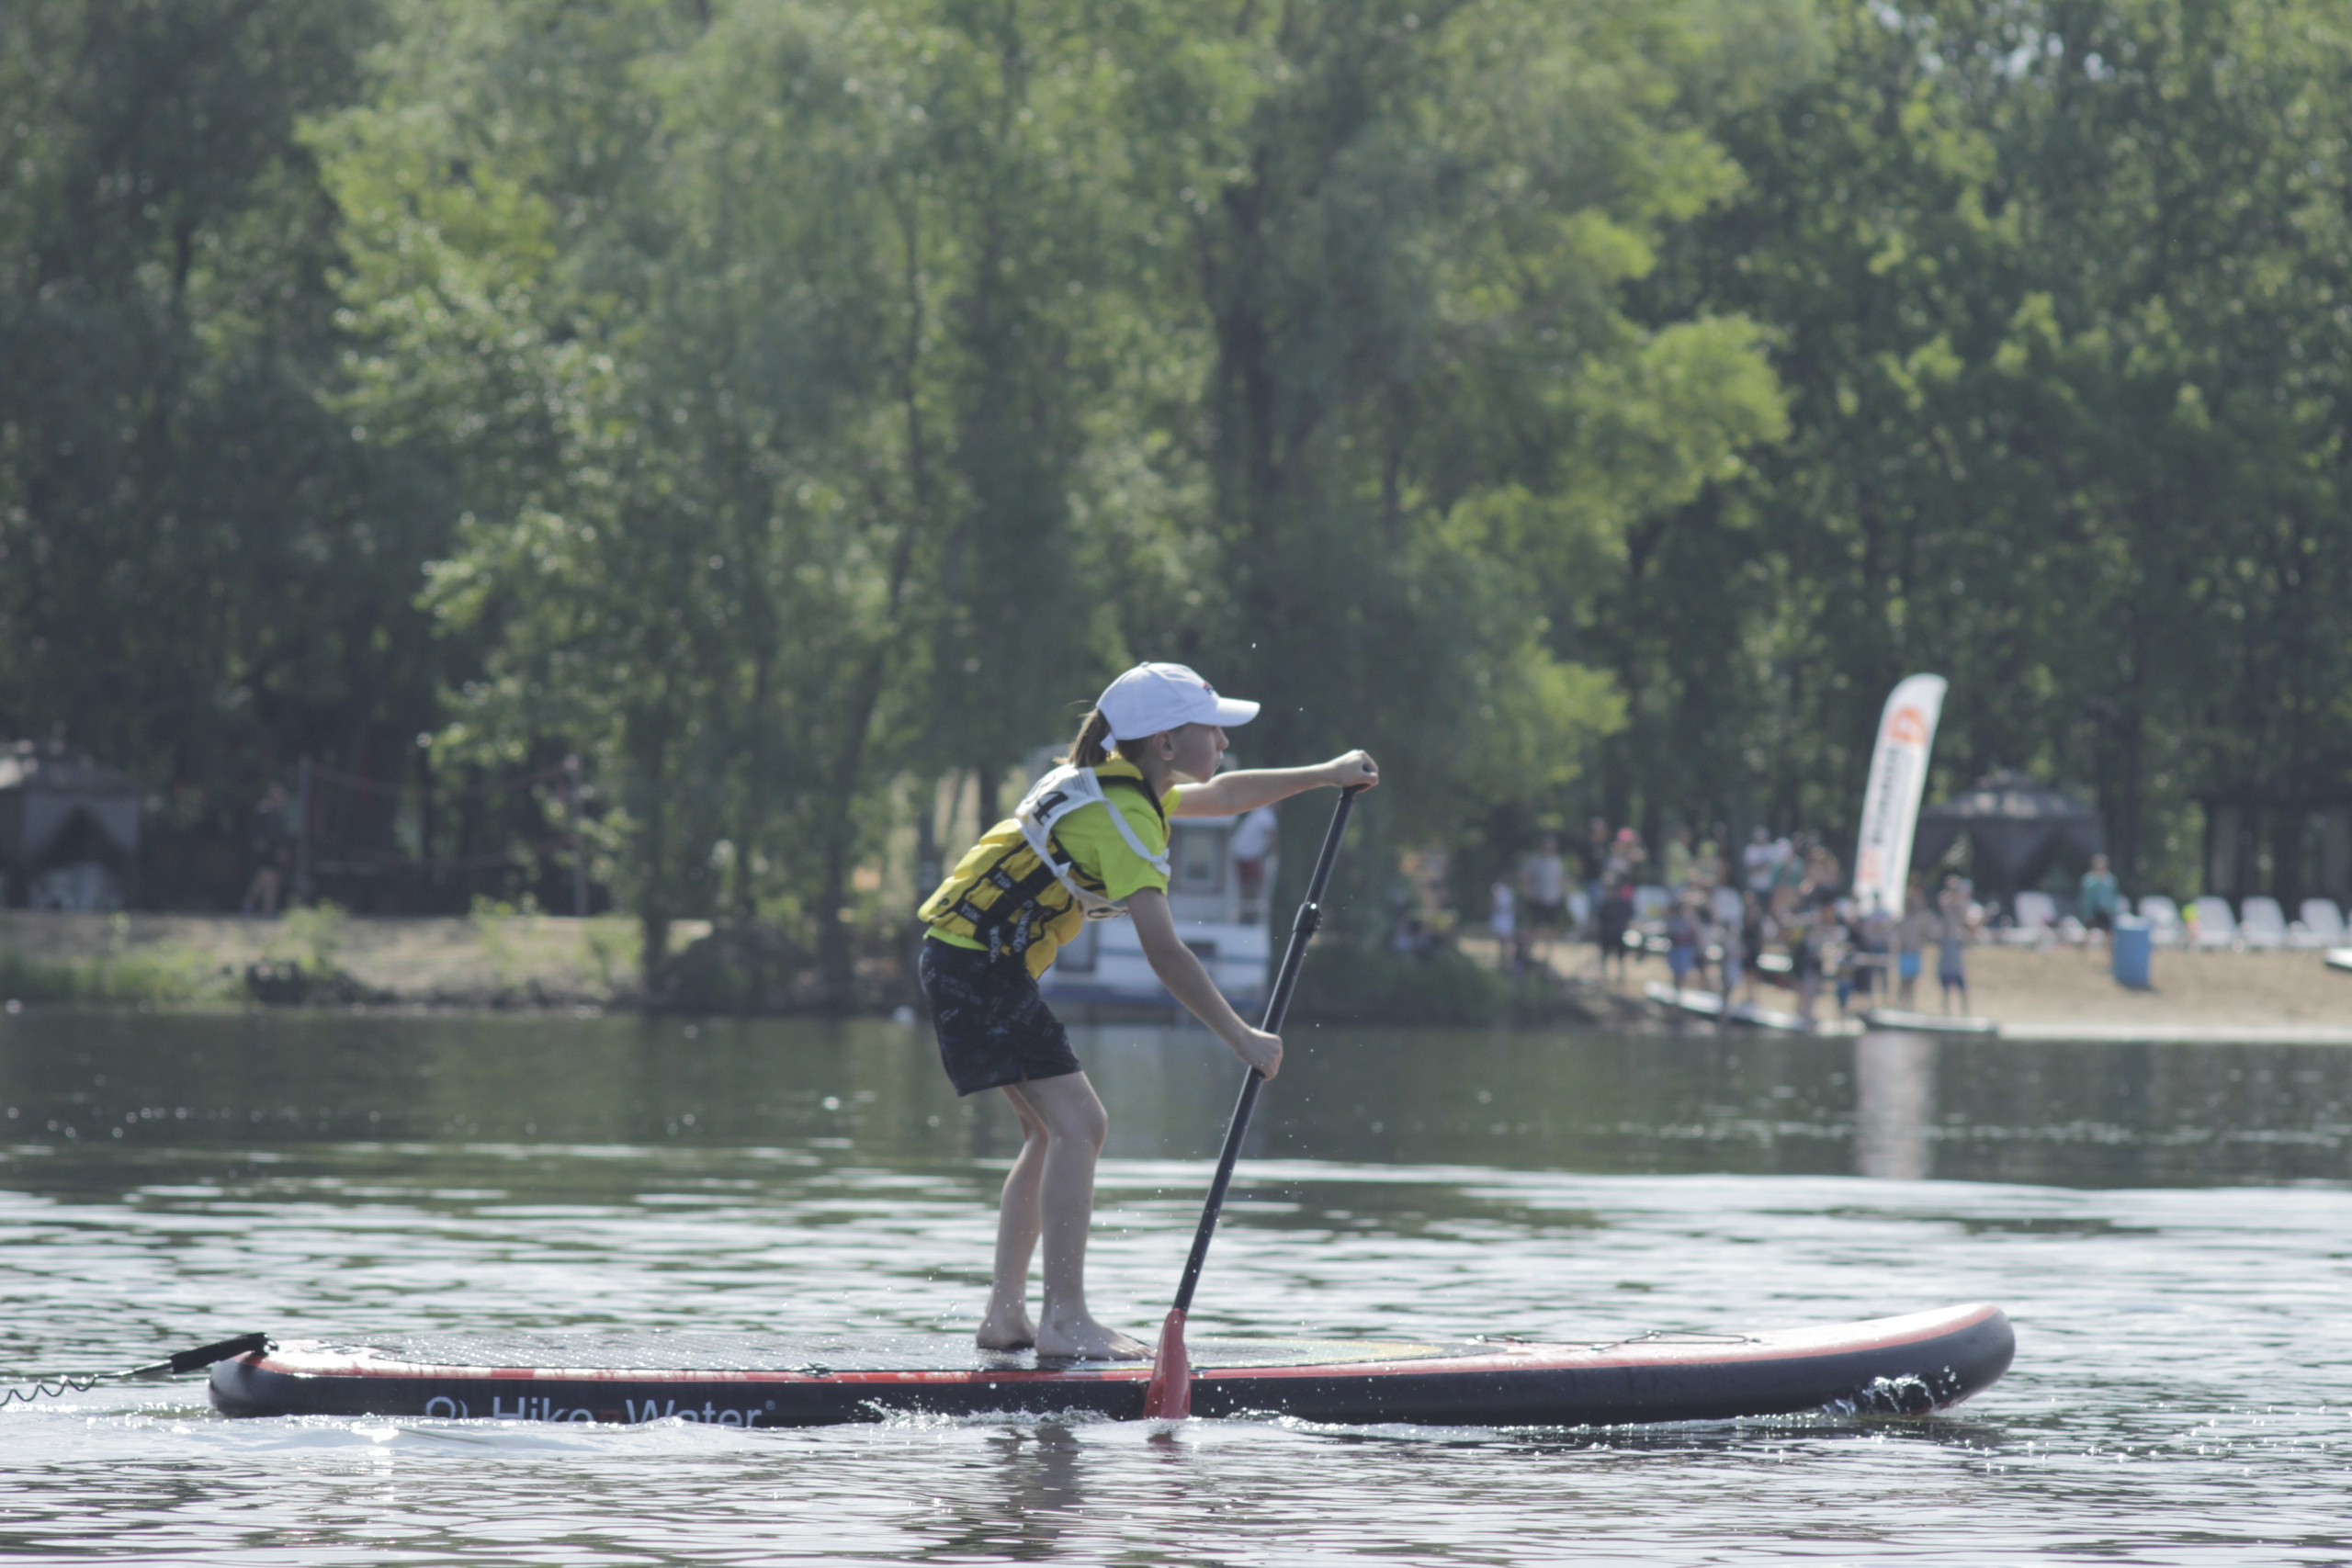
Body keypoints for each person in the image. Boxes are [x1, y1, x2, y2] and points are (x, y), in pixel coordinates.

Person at [916, 661, 1377, 1359]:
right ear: (1165, 744)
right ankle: (1064, 1318)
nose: (1222, 741)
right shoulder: (1124, 816)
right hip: (979, 966)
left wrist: (1325, 773)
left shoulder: (1120, 785)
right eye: (1212, 729)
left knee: (1051, 1132)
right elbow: (1164, 952)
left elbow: (1224, 797)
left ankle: (1005, 1318)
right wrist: (1241, 1037)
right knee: (1083, 1124)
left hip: (967, 956)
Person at [241, 784, 290, 917]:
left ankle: (264, 908)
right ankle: (256, 906)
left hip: (274, 851)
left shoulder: (279, 813)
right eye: (280, 795)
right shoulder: (263, 809)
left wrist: (282, 849)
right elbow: (254, 828)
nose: (282, 799)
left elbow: (280, 835)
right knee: (267, 878)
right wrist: (257, 841)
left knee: (270, 879)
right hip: (264, 850)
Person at [1228, 804, 1278, 923]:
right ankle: (1249, 916)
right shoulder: (1267, 815)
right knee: (1256, 883)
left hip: (1242, 854)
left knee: (1249, 885)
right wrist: (1275, 855)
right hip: (1247, 855)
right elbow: (1272, 837)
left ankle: (1246, 914)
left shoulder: (1258, 813)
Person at [1521, 834, 1566, 963]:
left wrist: (1561, 891)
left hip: (1553, 899)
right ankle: (1529, 952)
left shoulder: (1557, 860)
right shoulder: (1535, 860)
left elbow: (1561, 878)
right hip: (1538, 899)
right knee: (1534, 927)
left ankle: (1548, 955)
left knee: (1552, 928)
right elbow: (1525, 876)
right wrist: (1529, 892)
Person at [1936, 874, 1977, 1014]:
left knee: (1961, 982)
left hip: (1956, 943)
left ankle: (1966, 1011)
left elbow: (1964, 914)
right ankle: (1946, 1011)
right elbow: (1943, 905)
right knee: (1946, 983)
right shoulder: (1945, 898)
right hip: (1947, 944)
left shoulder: (1962, 902)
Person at [2079, 854, 2120, 937]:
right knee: (2089, 930)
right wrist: (2087, 913)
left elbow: (2114, 896)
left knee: (2109, 932)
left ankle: (2109, 948)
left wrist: (2114, 910)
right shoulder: (2089, 880)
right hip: (2093, 909)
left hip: (2107, 910)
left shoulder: (2110, 880)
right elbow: (2086, 898)